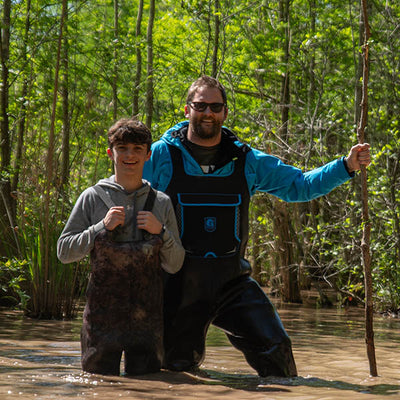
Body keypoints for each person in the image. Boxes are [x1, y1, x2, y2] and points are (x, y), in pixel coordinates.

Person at [143, 75, 371, 378]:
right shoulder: (159, 154)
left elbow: (298, 186)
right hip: (177, 287)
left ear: (225, 113)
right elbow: (131, 195)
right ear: (187, 110)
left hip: (232, 285)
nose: (208, 113)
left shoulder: (246, 159)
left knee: (278, 356)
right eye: (200, 106)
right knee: (176, 375)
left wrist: (346, 166)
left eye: (215, 106)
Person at [57, 118, 185, 376]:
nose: (130, 155)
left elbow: (175, 263)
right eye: (122, 148)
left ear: (148, 155)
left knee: (147, 387)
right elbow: (64, 252)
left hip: (147, 323)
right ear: (110, 153)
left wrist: (160, 231)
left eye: (138, 149)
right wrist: (99, 227)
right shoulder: (92, 197)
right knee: (99, 386)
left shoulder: (161, 203)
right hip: (101, 322)